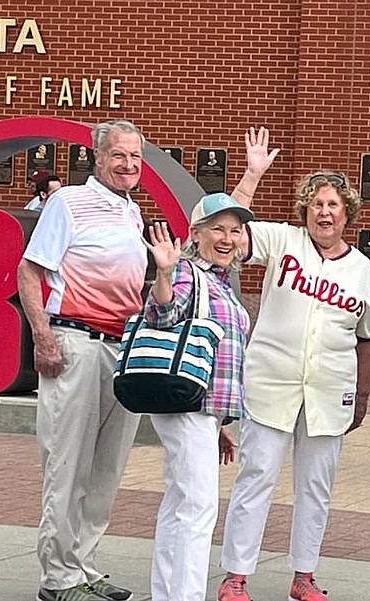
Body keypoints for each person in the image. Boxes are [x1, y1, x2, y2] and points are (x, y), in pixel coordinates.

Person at [217, 129, 370, 601]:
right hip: (270, 381)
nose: (324, 212)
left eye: (333, 205)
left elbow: (367, 337)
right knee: (256, 477)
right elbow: (228, 231)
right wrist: (251, 175)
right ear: (304, 211)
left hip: (330, 390)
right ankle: (236, 575)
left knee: (316, 487)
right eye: (316, 204)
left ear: (347, 212)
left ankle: (304, 575)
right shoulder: (282, 241)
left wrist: (363, 397)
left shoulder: (361, 268)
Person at [17, 119, 148, 601]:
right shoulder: (68, 202)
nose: (129, 165)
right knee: (67, 465)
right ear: (97, 157)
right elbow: (29, 269)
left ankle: (85, 567)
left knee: (105, 470)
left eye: (135, 157)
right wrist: (42, 336)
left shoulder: (133, 212)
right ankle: (58, 580)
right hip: (75, 343)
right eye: (119, 155)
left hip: (121, 349)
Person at [143, 193, 255, 601]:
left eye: (235, 230)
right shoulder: (189, 273)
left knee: (179, 505)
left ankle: (168, 594)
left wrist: (221, 423)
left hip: (202, 411)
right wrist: (165, 274)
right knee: (198, 509)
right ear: (196, 234)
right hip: (189, 406)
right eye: (217, 229)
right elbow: (161, 316)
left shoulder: (220, 282)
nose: (227, 238)